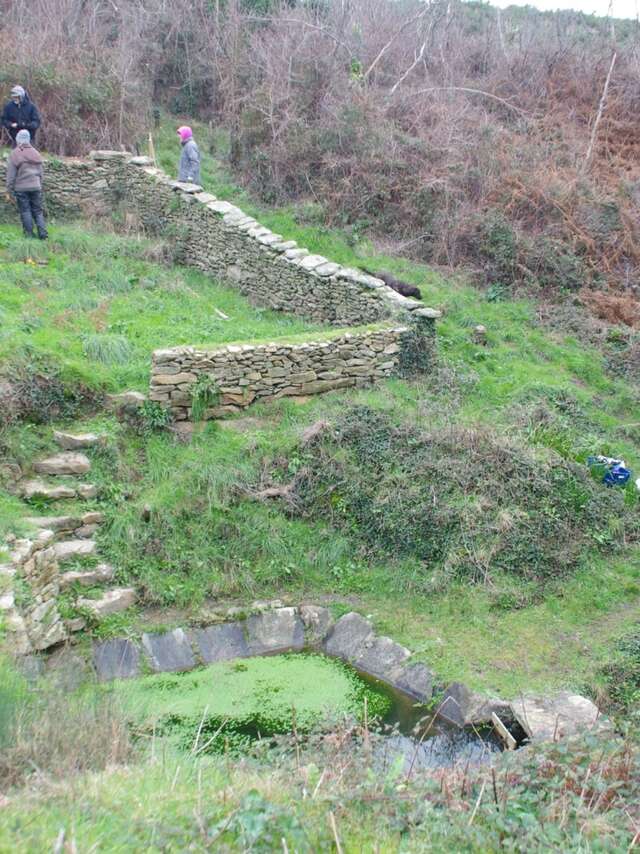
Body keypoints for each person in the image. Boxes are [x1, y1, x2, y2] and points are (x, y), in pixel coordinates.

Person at [5, 129, 48, 240]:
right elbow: (41, 173)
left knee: (25, 211)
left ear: (18, 139)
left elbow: (11, 175)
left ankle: (29, 235)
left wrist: (8, 190)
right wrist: (39, 185)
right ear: (28, 139)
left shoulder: (15, 154)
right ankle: (43, 234)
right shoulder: (36, 153)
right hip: (36, 186)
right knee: (38, 211)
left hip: (21, 188)